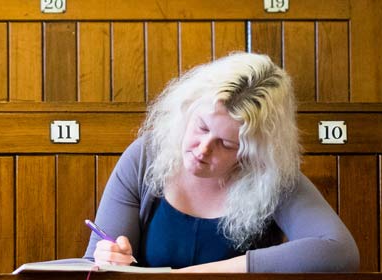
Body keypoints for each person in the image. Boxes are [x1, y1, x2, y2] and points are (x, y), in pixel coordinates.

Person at [83, 53, 359, 272]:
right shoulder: (146, 156)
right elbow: (96, 260)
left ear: (253, 153)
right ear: (187, 108)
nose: (203, 149)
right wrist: (108, 257)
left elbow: (339, 251)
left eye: (226, 144)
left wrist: (195, 274)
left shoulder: (270, 174)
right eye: (202, 127)